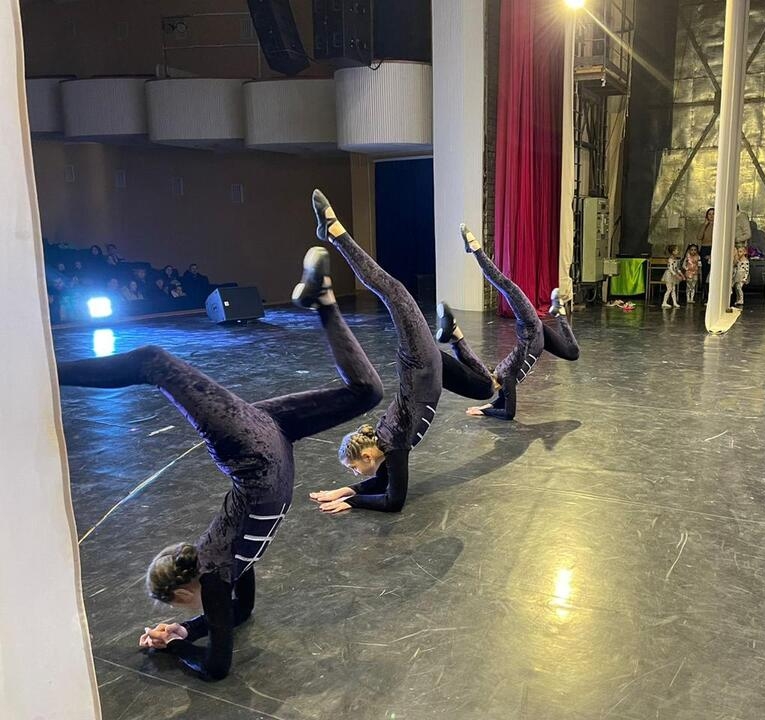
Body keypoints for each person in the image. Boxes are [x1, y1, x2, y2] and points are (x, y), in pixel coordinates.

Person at [57, 243, 383, 680]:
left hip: (252, 450)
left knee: (153, 361)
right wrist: (185, 632)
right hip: (275, 436)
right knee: (367, 393)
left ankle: (47, 371)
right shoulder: (224, 568)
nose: (198, 610)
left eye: (181, 609)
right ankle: (322, 298)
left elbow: (215, 666)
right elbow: (239, 615)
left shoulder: (215, 574)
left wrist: (175, 646)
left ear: (181, 594)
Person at [307, 190, 442, 514]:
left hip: (421, 363)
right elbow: (383, 485)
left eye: (354, 468)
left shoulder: (393, 445)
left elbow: (393, 501)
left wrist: (350, 500)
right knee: (484, 388)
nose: (355, 473)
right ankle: (475, 362)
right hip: (430, 370)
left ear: (367, 456)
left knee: (393, 291)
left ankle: (335, 233)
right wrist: (342, 491)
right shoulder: (387, 448)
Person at [433, 224, 580, 422]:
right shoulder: (506, 379)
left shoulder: (505, 378)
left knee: (506, 286)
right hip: (535, 332)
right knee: (572, 353)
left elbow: (505, 408)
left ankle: (476, 250)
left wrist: (485, 409)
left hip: (532, 330)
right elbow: (506, 409)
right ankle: (559, 312)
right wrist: (486, 409)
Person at [661, 244, 684, 309]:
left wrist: (682, 275)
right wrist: (677, 276)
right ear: (673, 251)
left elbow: (677, 268)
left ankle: (674, 302)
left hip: (673, 275)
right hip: (669, 275)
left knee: (673, 289)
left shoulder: (675, 259)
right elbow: (670, 269)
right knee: (669, 289)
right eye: (677, 250)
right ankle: (664, 302)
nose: (678, 251)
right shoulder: (670, 259)